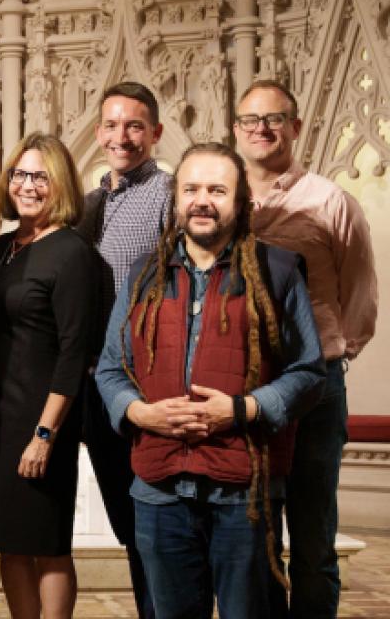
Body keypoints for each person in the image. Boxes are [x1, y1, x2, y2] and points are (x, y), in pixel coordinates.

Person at [95, 142, 326, 618]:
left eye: (217, 190)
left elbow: (308, 372)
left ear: (241, 203)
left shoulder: (276, 272)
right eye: (191, 189)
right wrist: (139, 412)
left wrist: (242, 409)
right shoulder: (144, 276)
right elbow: (111, 367)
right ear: (176, 200)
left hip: (244, 491)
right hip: (159, 491)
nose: (203, 200)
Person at [233, 80, 378, 618]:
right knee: (256, 537)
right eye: (251, 120)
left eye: (275, 118)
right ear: (236, 130)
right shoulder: (225, 199)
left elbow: (359, 290)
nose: (262, 129)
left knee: (314, 540)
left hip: (315, 383)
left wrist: (333, 353)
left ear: (295, 126)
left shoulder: (329, 200)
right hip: (247, 385)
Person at [0, 132, 92, 618]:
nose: (28, 185)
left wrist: (45, 434)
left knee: (48, 542)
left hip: (43, 418)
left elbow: (73, 353)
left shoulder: (71, 253)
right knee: (10, 540)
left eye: (41, 176)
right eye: (20, 174)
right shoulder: (0, 248)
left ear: (60, 184)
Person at [75, 81, 171, 619]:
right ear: (97, 133)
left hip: (145, 385)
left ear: (154, 132)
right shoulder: (86, 203)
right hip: (95, 386)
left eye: (135, 125)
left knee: (156, 529)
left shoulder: (170, 195)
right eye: (111, 125)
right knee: (128, 527)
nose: (122, 137)